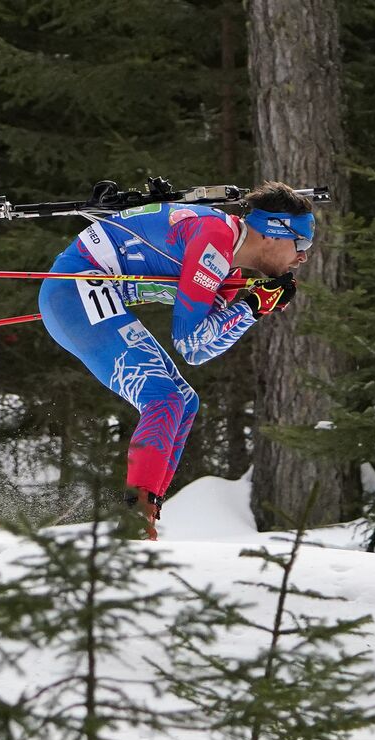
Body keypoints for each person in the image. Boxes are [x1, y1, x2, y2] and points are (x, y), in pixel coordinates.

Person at [37, 181, 314, 539]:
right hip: (76, 289)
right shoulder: (214, 239)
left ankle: (146, 511)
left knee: (183, 401)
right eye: (302, 244)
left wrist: (251, 308)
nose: (304, 256)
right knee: (163, 398)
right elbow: (191, 344)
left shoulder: (225, 259)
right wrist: (249, 310)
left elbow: (203, 347)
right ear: (274, 232)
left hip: (92, 291)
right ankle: (136, 519)